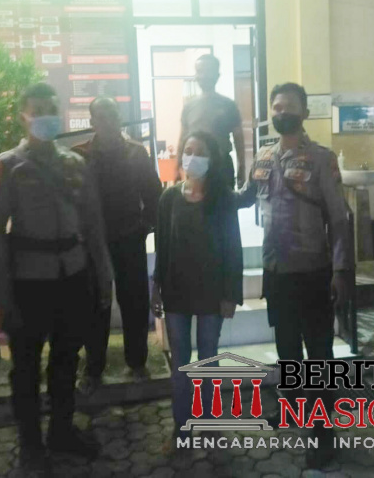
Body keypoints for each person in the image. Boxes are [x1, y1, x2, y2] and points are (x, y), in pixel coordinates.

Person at [0, 83, 114, 474]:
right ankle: (30, 445)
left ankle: (61, 431)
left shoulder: (75, 163)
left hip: (72, 276)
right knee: (25, 368)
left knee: (66, 360)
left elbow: (94, 224)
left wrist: (104, 275)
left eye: (50, 109)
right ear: (22, 116)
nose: (45, 117)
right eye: (37, 110)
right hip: (28, 282)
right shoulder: (5, 167)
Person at [237, 82, 354, 469]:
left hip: (313, 271)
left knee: (318, 352)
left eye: (288, 106)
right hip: (276, 271)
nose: (281, 112)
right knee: (286, 347)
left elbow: (339, 219)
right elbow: (244, 197)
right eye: (276, 106)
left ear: (304, 112)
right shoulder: (264, 156)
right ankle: (291, 406)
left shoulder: (321, 159)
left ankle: (323, 432)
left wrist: (340, 269)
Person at [151, 130, 243, 452]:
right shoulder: (169, 199)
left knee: (208, 359)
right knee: (180, 363)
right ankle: (181, 429)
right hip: (176, 293)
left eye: (200, 151)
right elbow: (162, 246)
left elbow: (233, 248)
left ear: (212, 158)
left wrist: (231, 294)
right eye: (188, 150)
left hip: (211, 294)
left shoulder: (223, 199)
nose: (192, 157)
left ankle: (210, 426)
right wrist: (156, 287)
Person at [73, 97, 162, 394]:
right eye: (101, 116)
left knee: (134, 303)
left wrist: (145, 227)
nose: (108, 121)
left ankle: (137, 363)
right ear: (92, 122)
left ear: (119, 118)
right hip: (92, 244)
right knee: (93, 306)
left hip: (129, 239)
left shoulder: (136, 153)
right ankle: (93, 368)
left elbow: (153, 195)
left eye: (112, 115)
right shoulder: (80, 156)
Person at [178, 54, 246, 188]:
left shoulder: (229, 105)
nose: (203, 76)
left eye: (208, 71)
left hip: (222, 168)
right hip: (195, 167)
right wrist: (177, 166)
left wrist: (242, 167)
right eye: (199, 71)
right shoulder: (188, 107)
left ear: (217, 75)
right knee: (195, 200)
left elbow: (238, 138)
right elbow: (182, 138)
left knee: (224, 201)